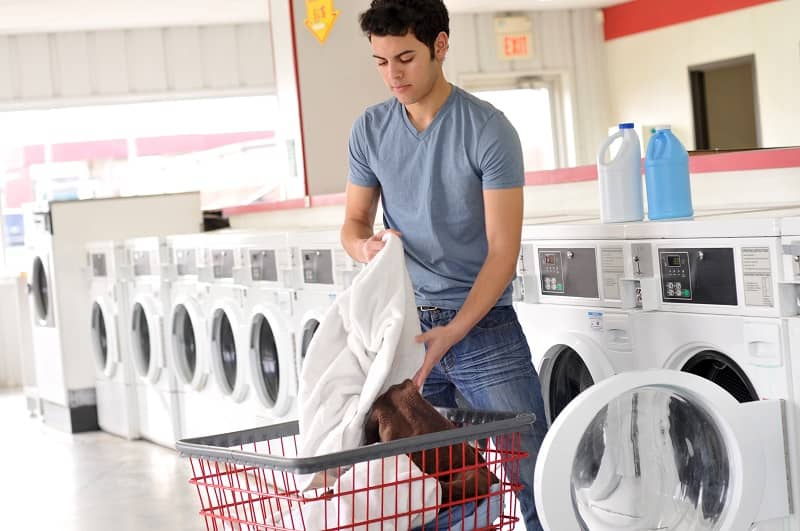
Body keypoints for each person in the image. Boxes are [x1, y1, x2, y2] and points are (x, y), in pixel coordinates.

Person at [339, 1, 548, 529]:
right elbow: (353, 223)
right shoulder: (369, 129)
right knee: (418, 484)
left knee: (531, 473)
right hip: (406, 330)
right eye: (381, 62)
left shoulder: (488, 130)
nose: (394, 74)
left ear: (440, 45)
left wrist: (455, 329)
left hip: (482, 329)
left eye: (405, 57)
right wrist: (366, 247)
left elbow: (504, 250)